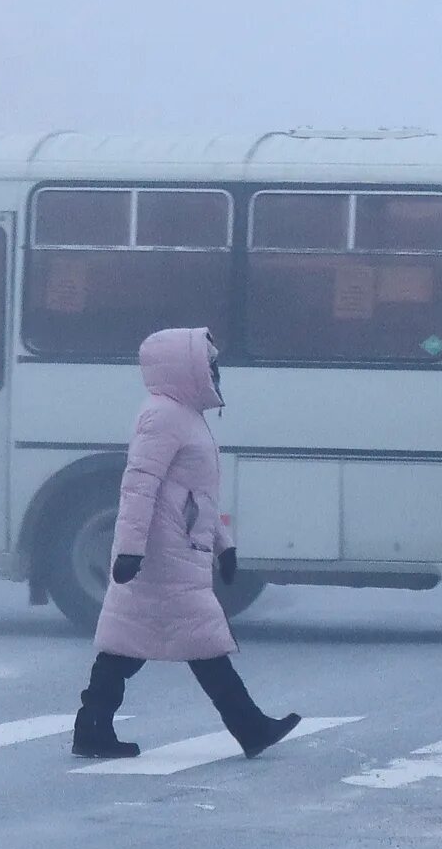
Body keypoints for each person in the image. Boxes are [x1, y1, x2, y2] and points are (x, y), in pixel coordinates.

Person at [72, 326, 301, 762]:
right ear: (185, 365)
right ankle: (249, 727)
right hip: (163, 554)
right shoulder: (163, 415)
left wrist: (223, 545)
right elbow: (139, 485)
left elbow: (194, 496)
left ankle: (92, 728)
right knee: (200, 642)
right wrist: (129, 550)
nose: (215, 370)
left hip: (176, 549)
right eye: (208, 362)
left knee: (133, 644)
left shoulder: (182, 415)